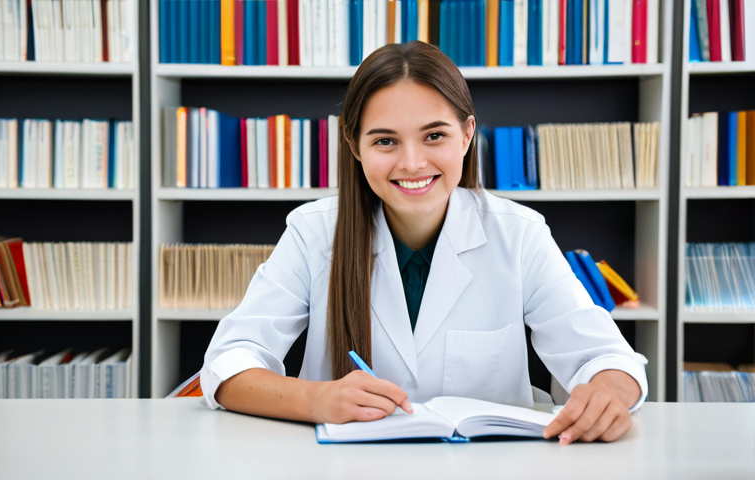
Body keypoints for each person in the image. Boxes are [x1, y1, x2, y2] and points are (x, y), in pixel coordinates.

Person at [201, 41, 647, 445]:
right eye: (385, 141)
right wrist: (315, 399)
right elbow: (228, 365)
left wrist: (606, 394)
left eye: (435, 135)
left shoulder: (520, 233)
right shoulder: (314, 231)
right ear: (354, 145)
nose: (412, 163)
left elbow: (608, 358)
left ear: (468, 135)